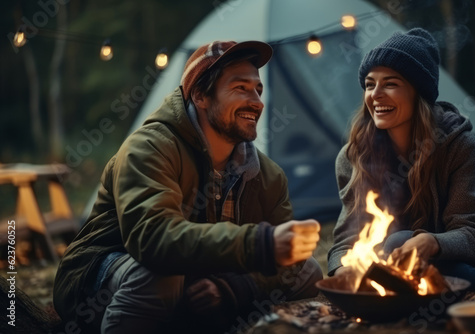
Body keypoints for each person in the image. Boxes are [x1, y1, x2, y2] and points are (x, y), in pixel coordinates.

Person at [53, 40, 323, 333]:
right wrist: (259, 243)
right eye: (241, 88)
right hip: (106, 277)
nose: (256, 101)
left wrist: (230, 289)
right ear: (200, 95)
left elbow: (288, 263)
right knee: (160, 276)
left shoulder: (269, 175)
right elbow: (153, 239)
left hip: (202, 279)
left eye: (258, 89)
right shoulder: (150, 148)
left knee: (308, 269)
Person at [328, 28, 475, 291]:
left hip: (457, 270)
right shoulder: (353, 156)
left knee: (398, 242)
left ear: (418, 93)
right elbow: (345, 241)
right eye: (370, 84)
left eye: (391, 83)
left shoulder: (457, 146)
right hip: (388, 279)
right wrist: (347, 275)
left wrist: (431, 243)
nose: (375, 95)